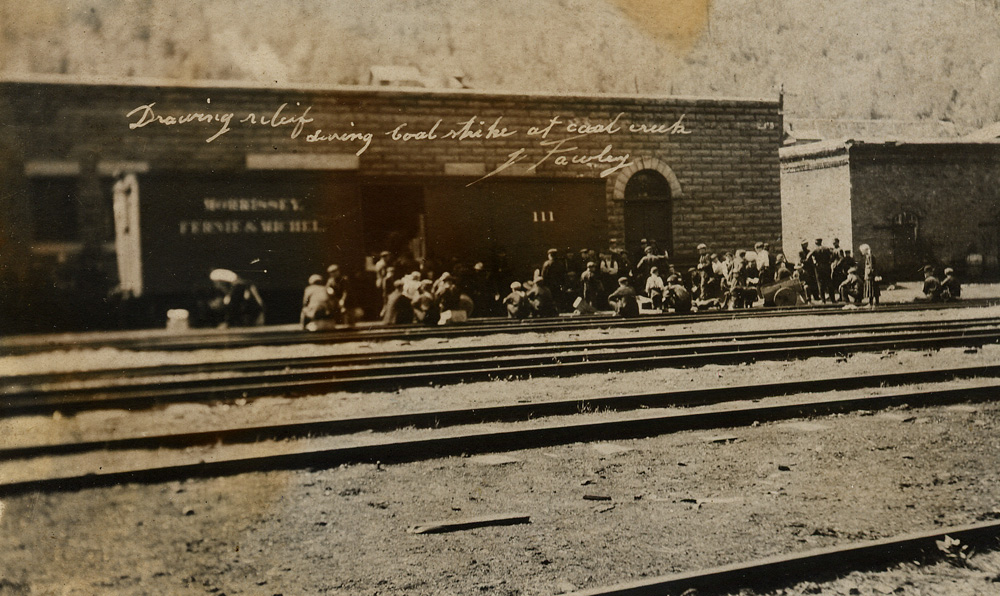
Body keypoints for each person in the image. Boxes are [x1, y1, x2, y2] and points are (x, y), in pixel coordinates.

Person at [858, 244, 880, 308]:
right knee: (874, 289)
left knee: (871, 289)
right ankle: (876, 302)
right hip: (870, 275)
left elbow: (871, 266)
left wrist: (870, 273)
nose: (862, 252)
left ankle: (871, 303)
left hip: (870, 276)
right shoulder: (870, 256)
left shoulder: (869, 257)